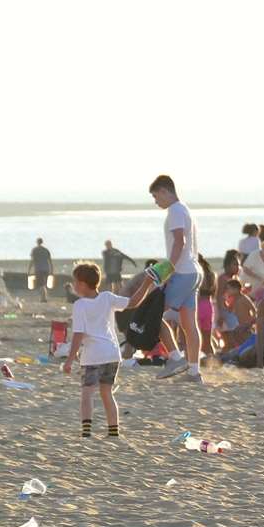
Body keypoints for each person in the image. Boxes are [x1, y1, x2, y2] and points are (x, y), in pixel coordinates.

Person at [64, 262, 138, 437]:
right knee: (107, 393)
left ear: (82, 284)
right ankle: (113, 432)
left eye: (75, 282)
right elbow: (133, 302)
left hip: (93, 356)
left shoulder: (80, 305)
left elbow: (78, 334)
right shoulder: (107, 297)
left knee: (87, 394)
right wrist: (149, 282)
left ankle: (86, 432)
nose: (74, 285)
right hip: (112, 354)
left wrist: (69, 359)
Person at [138, 175, 200, 380]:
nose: (156, 201)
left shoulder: (175, 211)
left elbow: (179, 242)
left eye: (156, 196)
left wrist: (167, 271)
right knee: (189, 324)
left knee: (151, 314)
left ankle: (175, 357)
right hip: (193, 272)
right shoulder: (184, 209)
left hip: (182, 272)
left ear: (165, 191)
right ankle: (194, 371)